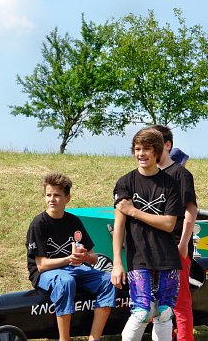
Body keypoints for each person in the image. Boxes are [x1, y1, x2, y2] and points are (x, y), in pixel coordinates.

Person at [111, 128, 183, 341]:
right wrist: (117, 263)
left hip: (167, 258)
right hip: (138, 258)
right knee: (141, 312)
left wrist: (134, 211)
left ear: (157, 151)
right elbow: (119, 226)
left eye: (146, 149)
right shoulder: (125, 183)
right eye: (137, 149)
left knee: (164, 313)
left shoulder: (171, 184)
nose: (141, 154)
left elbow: (169, 224)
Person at [26, 172, 115, 341]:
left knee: (107, 280)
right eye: (48, 195)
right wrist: (69, 259)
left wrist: (85, 257)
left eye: (57, 195)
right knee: (66, 281)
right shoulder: (39, 224)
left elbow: (94, 258)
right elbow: (41, 265)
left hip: (75, 269)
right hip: (46, 274)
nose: (52, 199)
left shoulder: (74, 221)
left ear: (67, 198)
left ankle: (94, 338)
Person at [152, 126, 198, 341]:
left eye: (155, 143)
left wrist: (182, 245)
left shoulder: (181, 174)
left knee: (179, 302)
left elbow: (191, 211)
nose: (149, 149)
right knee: (156, 302)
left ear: (168, 145)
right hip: (153, 249)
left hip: (175, 247)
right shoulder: (149, 174)